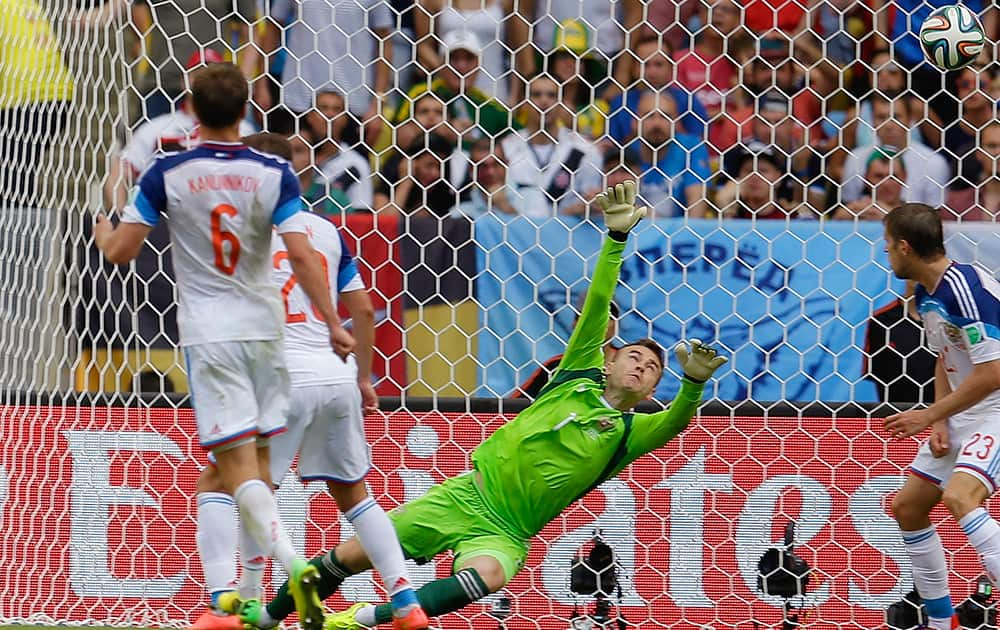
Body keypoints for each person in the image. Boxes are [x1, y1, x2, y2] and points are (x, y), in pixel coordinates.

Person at [232, 181, 729, 630]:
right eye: (635, 356)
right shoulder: (576, 373)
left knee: (487, 575)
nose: (642, 366)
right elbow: (598, 304)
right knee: (346, 557)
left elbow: (678, 422)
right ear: (612, 357)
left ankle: (361, 619)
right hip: (466, 495)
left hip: (510, 529)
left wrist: (692, 386)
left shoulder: (627, 432)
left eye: (653, 370)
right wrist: (615, 241)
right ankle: (268, 620)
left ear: (648, 393)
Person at [93, 62, 355, 630]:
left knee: (231, 467)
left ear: (190, 105)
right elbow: (303, 255)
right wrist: (334, 323)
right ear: (245, 110)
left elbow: (121, 252)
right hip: (268, 332)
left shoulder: (168, 170)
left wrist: (102, 229)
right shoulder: (273, 171)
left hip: (211, 336)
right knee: (254, 465)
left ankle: (286, 569)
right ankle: (246, 599)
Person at [189, 131, 429, 630]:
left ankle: (228, 604)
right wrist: (364, 379)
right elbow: (363, 310)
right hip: (335, 374)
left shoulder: (237, 228)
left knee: (230, 483)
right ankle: (405, 600)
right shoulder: (325, 230)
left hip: (281, 377)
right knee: (355, 493)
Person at [882, 203, 1000, 630]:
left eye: (888, 247)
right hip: (964, 411)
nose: (887, 255)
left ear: (906, 247)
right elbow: (945, 358)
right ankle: (939, 621)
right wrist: (940, 422)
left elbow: (992, 374)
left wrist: (927, 413)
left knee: (960, 498)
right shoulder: (926, 294)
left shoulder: (967, 290)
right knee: (908, 507)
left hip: (995, 409)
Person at [511, 299, 619, 399]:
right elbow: (515, 404)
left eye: (606, 317)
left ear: (616, 324)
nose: (598, 323)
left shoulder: (632, 364)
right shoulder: (556, 366)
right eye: (590, 316)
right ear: (574, 324)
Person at [864, 279, 936, 404]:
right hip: (897, 414)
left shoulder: (947, 318)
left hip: (943, 414)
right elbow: (876, 374)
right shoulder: (881, 321)